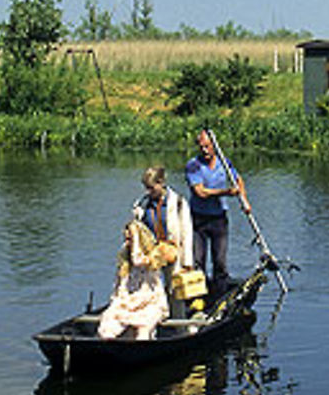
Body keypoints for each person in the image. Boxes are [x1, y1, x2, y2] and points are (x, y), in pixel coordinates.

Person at [185, 128, 251, 296]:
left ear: (215, 146)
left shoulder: (225, 163)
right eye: (201, 147)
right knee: (198, 261)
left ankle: (219, 296)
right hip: (198, 219)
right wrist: (226, 192)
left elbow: (238, 179)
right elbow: (200, 192)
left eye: (207, 146)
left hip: (219, 219)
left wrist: (244, 200)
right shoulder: (193, 165)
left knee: (220, 262)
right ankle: (198, 299)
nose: (205, 150)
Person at [98, 220, 173, 341]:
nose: (127, 242)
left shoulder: (152, 256)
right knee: (106, 328)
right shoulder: (124, 258)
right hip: (128, 303)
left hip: (150, 304)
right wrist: (118, 303)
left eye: (130, 239)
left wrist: (135, 233)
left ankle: (143, 354)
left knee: (142, 331)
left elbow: (137, 260)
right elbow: (119, 286)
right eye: (126, 239)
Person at [133, 165, 193, 277]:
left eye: (151, 187)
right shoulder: (141, 205)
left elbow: (186, 234)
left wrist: (187, 262)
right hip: (151, 257)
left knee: (174, 290)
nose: (148, 191)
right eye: (146, 187)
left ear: (161, 183)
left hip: (173, 254)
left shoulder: (178, 203)